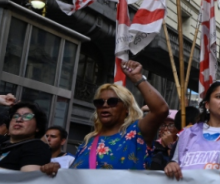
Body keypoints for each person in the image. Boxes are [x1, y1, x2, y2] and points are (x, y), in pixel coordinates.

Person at [41, 60, 169, 175]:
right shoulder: (88, 142)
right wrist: (57, 172)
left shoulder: (137, 132)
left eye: (112, 102)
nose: (105, 106)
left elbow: (161, 110)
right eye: (99, 102)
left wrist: (137, 77)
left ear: (126, 108)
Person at [0, 99, 50, 171]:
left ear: (38, 127)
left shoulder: (37, 147)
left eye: (27, 116)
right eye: (15, 116)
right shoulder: (4, 144)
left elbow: (29, 176)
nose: (19, 119)